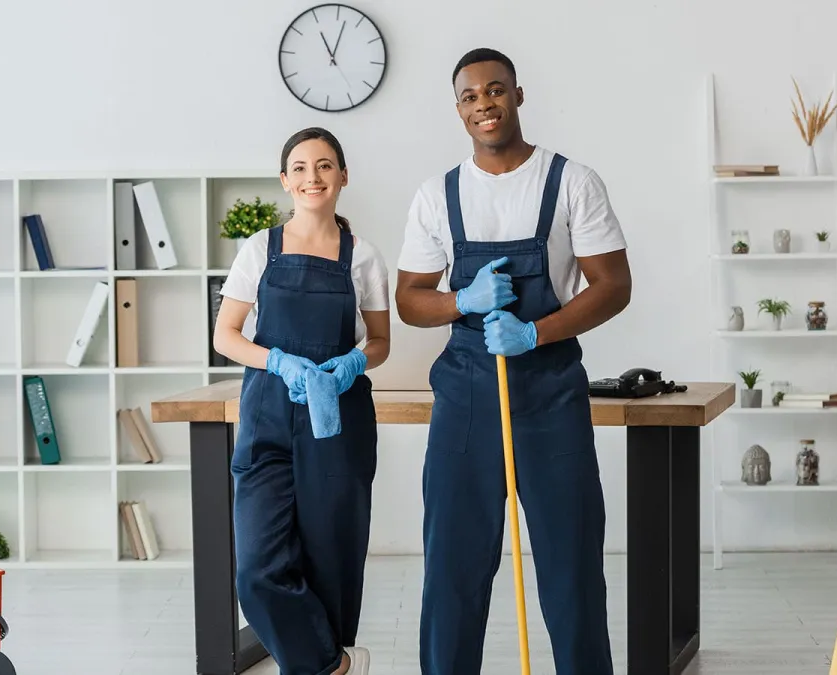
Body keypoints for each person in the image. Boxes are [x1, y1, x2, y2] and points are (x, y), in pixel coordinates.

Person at [395, 48, 632, 674]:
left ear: (518, 96)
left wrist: (535, 333)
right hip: (466, 399)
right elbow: (409, 302)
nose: (485, 104)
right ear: (458, 110)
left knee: (571, 561)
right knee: (452, 562)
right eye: (471, 97)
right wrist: (460, 301)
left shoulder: (572, 181)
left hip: (550, 394)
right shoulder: (437, 195)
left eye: (495, 91)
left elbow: (613, 285)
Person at [212, 126, 392, 675]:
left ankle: (319, 663)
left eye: (324, 165)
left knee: (331, 561)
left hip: (337, 419)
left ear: (342, 176)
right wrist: (278, 360)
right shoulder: (259, 247)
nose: (312, 176)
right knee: (257, 569)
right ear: (285, 180)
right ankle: (330, 664)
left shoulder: (362, 255)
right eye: (300, 167)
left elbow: (380, 341)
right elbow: (226, 335)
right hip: (268, 413)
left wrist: (354, 363)